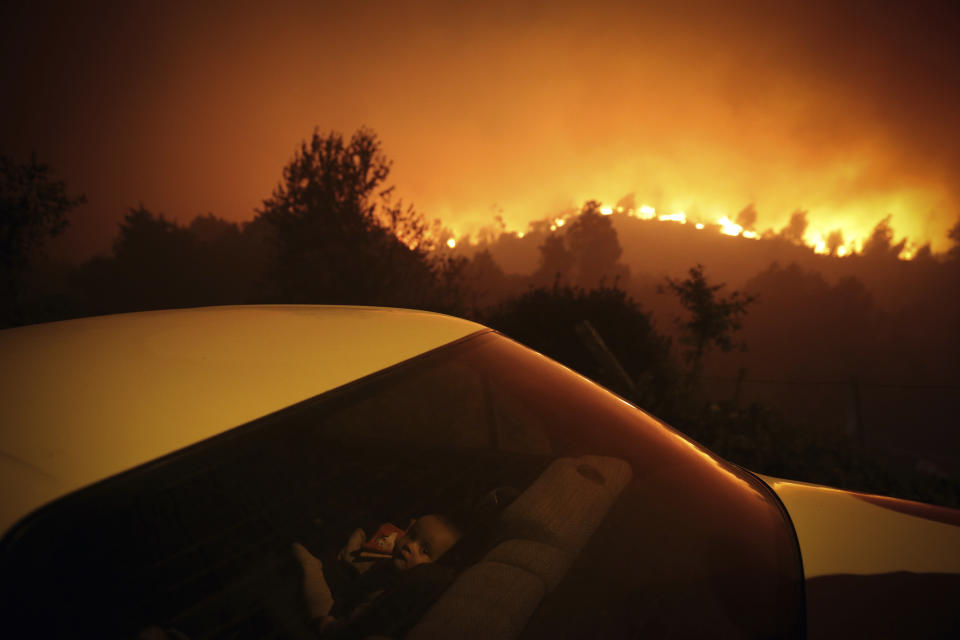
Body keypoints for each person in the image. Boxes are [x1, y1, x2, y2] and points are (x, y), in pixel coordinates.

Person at [292, 514, 462, 639]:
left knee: (314, 578)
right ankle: (348, 553)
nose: (410, 546)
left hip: (336, 627)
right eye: (412, 536)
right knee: (349, 564)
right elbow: (360, 585)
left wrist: (330, 625)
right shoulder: (391, 564)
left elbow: (360, 621)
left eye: (424, 550)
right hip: (346, 600)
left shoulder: (400, 593)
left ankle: (309, 564)